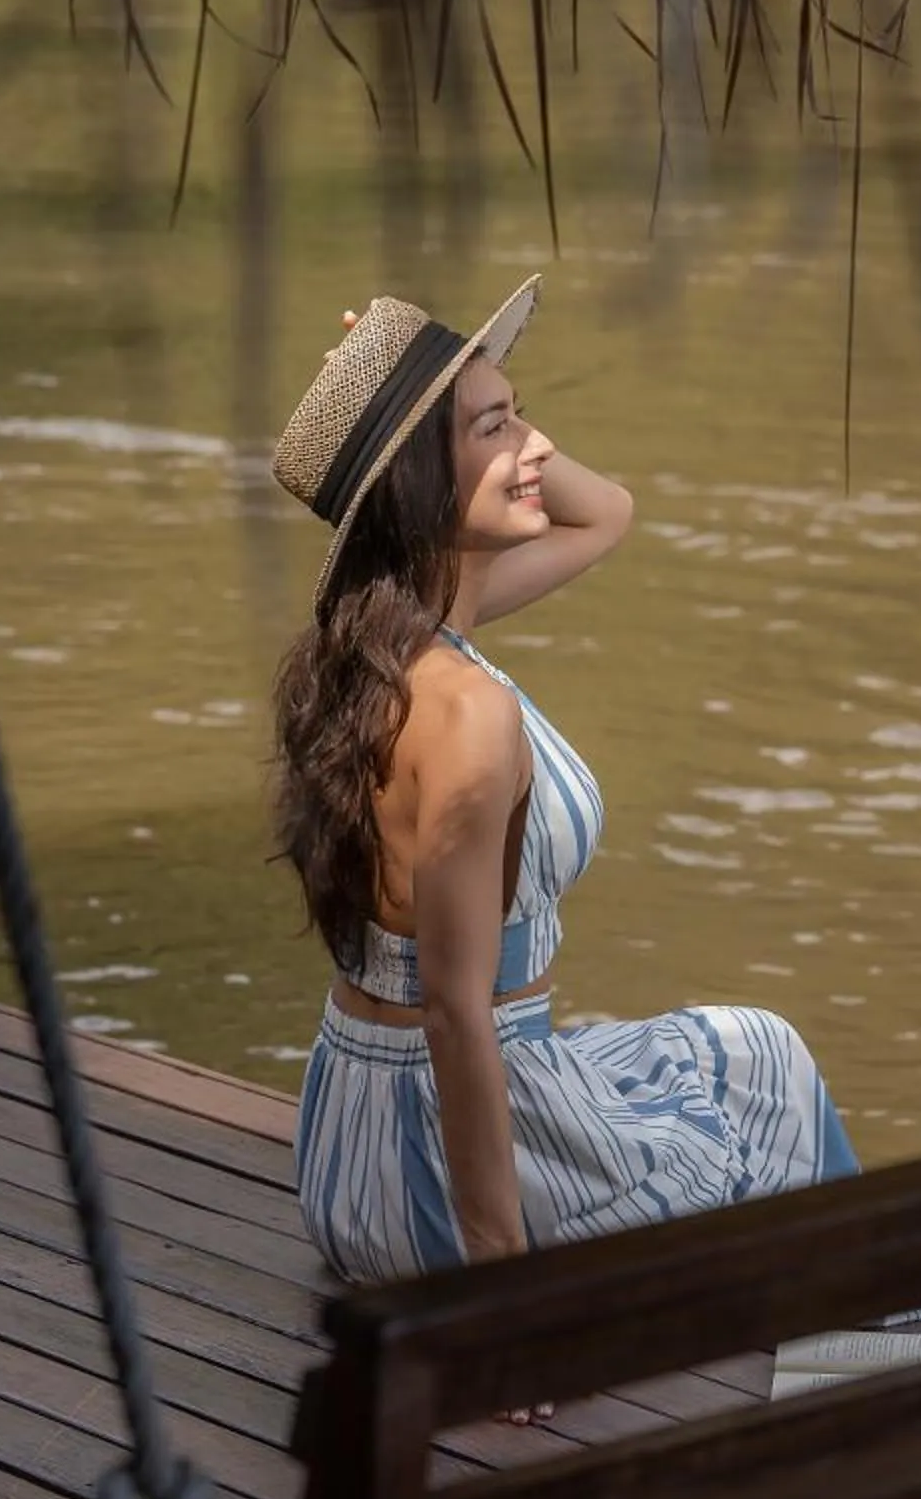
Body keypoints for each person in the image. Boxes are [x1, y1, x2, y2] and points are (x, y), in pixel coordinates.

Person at [267, 280, 862, 1351]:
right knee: (775, 1093)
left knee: (751, 1045)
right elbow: (456, 1013)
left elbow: (610, 510)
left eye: (522, 412)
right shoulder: (469, 717)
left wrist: (435, 380)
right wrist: (502, 1288)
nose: (534, 444)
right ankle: (886, 1375)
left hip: (352, 1145)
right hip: (439, 1193)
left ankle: (864, 1357)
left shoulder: (381, 647)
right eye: (498, 428)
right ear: (416, 482)